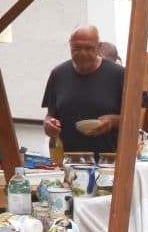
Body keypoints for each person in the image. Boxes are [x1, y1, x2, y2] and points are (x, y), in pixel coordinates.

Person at [42, 26, 125, 159]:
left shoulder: (119, 75)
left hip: (109, 162)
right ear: (70, 46)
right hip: (69, 162)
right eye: (77, 48)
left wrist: (112, 121)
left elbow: (135, 119)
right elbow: (51, 115)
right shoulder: (58, 74)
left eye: (89, 48)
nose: (83, 53)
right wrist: (49, 125)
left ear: (99, 47)